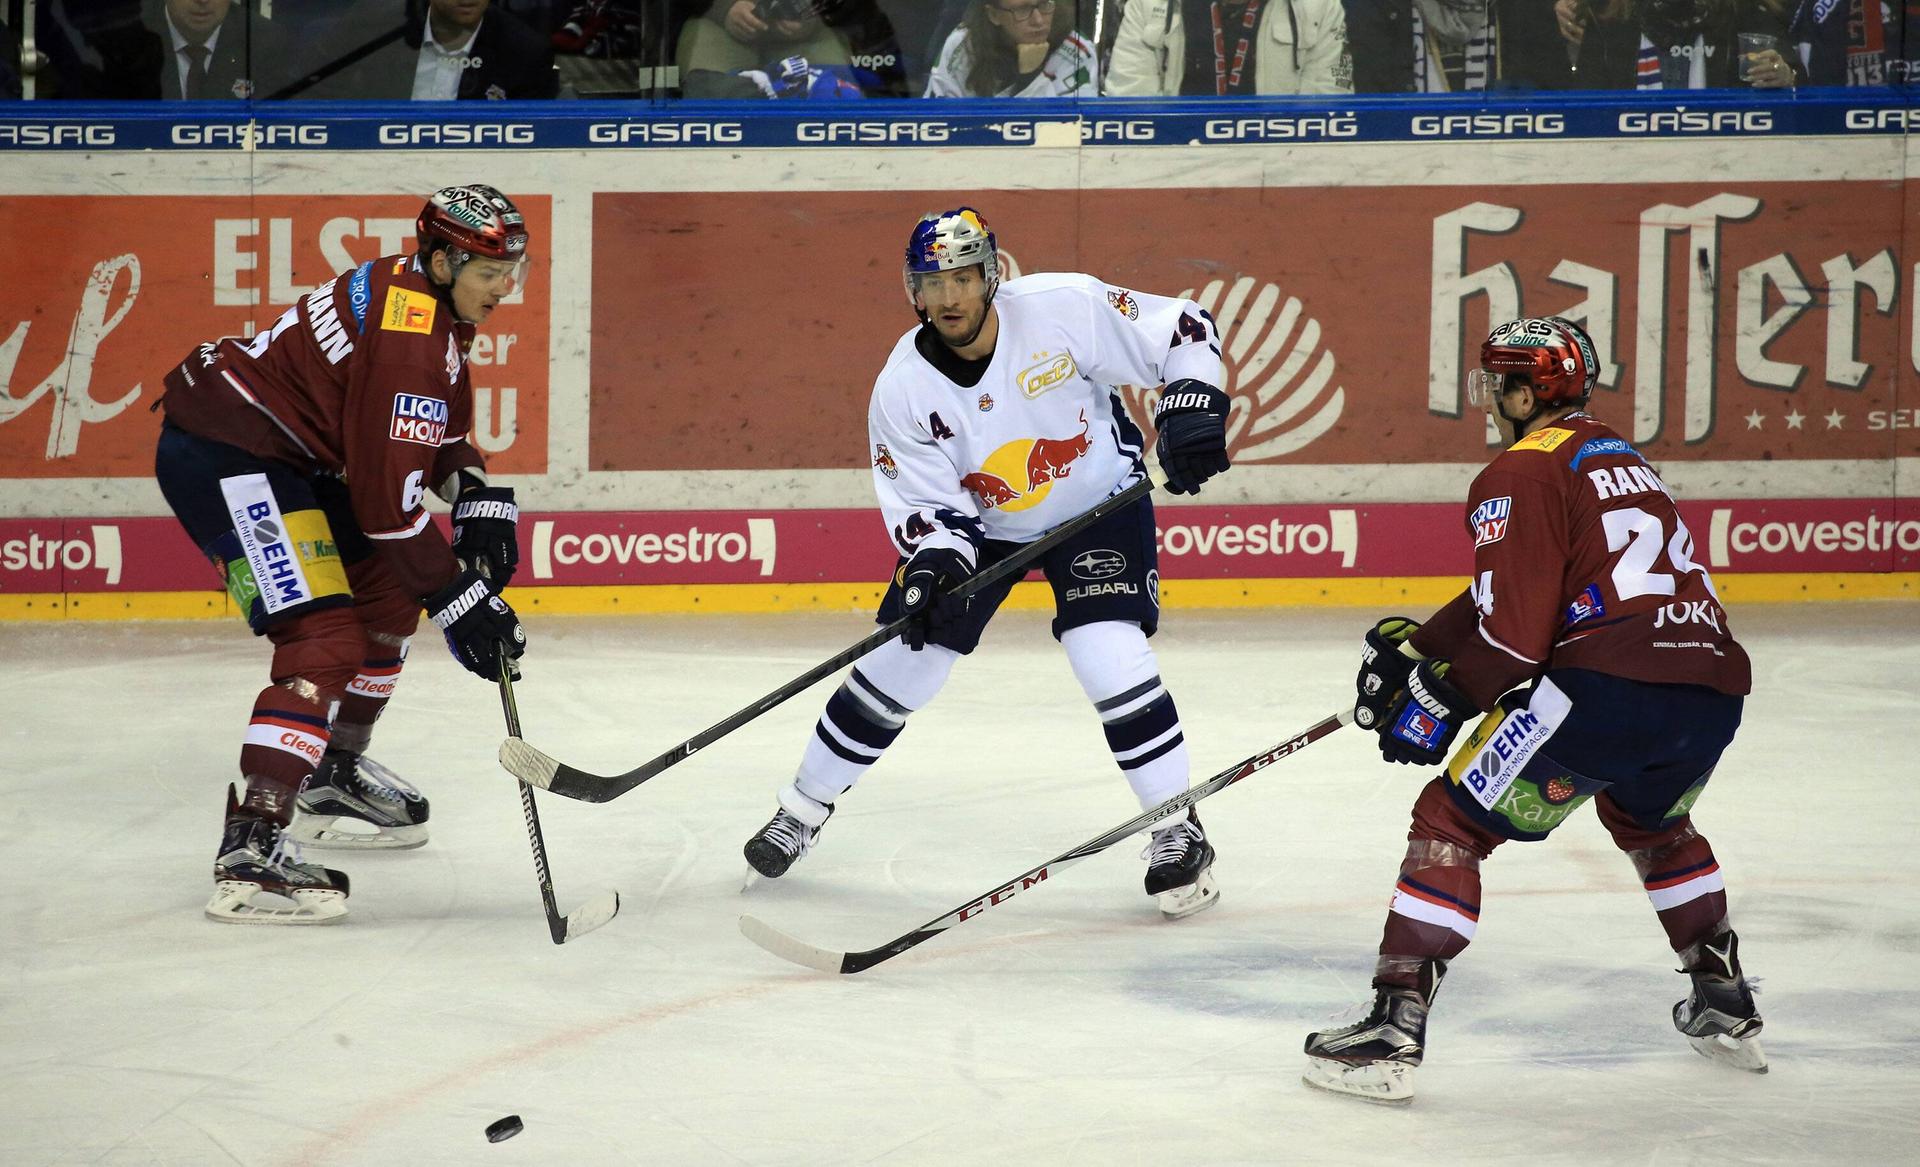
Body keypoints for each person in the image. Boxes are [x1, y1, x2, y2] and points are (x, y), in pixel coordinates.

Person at [1301, 317, 1762, 1102]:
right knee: (1655, 824)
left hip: (1605, 693)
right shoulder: (1620, 458)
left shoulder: (1517, 471)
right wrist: (1424, 648)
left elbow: (1515, 642)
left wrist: (1437, 697)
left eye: (1498, 383)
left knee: (1451, 821)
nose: (1491, 398)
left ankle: (1392, 1024)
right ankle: (1723, 999)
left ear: (1524, 391)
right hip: (1711, 694)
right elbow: (1533, 592)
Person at [742, 207, 1234, 918]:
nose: (950, 300)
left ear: (991, 275)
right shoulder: (904, 387)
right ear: (913, 292)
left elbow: (1184, 329)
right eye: (933, 284)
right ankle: (801, 808)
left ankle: (1176, 825)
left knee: (1107, 648)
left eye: (964, 279)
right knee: (904, 659)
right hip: (985, 528)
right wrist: (934, 566)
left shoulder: (1062, 308)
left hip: (1098, 500)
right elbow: (930, 506)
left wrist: (1193, 400)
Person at [154, 185, 532, 925]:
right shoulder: (412, 335)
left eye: (511, 268)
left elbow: (427, 437)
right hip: (228, 456)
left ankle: (331, 771)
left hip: (289, 457)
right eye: (490, 270)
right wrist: (461, 596)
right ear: (443, 257)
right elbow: (387, 509)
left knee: (391, 593)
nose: (505, 286)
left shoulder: (421, 297)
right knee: (323, 635)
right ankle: (252, 848)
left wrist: (479, 492)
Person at [1104, 0, 1353, 95]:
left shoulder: (1322, 7)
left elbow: (1328, 116)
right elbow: (1129, 109)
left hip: (1281, 180)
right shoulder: (1146, 5)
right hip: (1174, 177)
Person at [1553, 0, 1801, 88]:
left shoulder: (1745, 10)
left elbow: (1792, 71)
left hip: (1725, 158)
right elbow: (1589, 104)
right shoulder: (1605, 15)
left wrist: (1784, 75)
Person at [925, 0, 1098, 97]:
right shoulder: (962, 45)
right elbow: (934, 120)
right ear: (993, 15)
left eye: (1045, 5)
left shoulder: (1076, 52)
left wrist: (1029, 75)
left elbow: (1068, 135)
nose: (1038, 20)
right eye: (1023, 10)